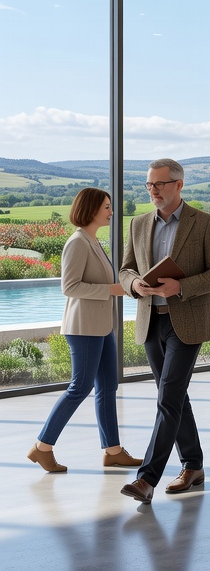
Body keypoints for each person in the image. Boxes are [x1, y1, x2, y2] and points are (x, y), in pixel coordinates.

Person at [118, 159, 210, 503]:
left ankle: (146, 479)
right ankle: (194, 466)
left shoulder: (206, 223)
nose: (153, 190)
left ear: (179, 185)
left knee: (167, 397)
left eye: (160, 184)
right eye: (149, 185)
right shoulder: (138, 223)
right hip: (151, 322)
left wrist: (179, 287)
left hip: (188, 321)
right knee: (175, 396)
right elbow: (124, 270)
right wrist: (135, 283)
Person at [26, 188, 143, 473]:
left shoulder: (92, 241)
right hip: (84, 328)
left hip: (101, 327)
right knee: (80, 387)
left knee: (108, 387)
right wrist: (113, 289)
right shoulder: (78, 242)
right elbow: (69, 286)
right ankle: (43, 447)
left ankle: (113, 450)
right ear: (91, 209)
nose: (111, 211)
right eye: (106, 206)